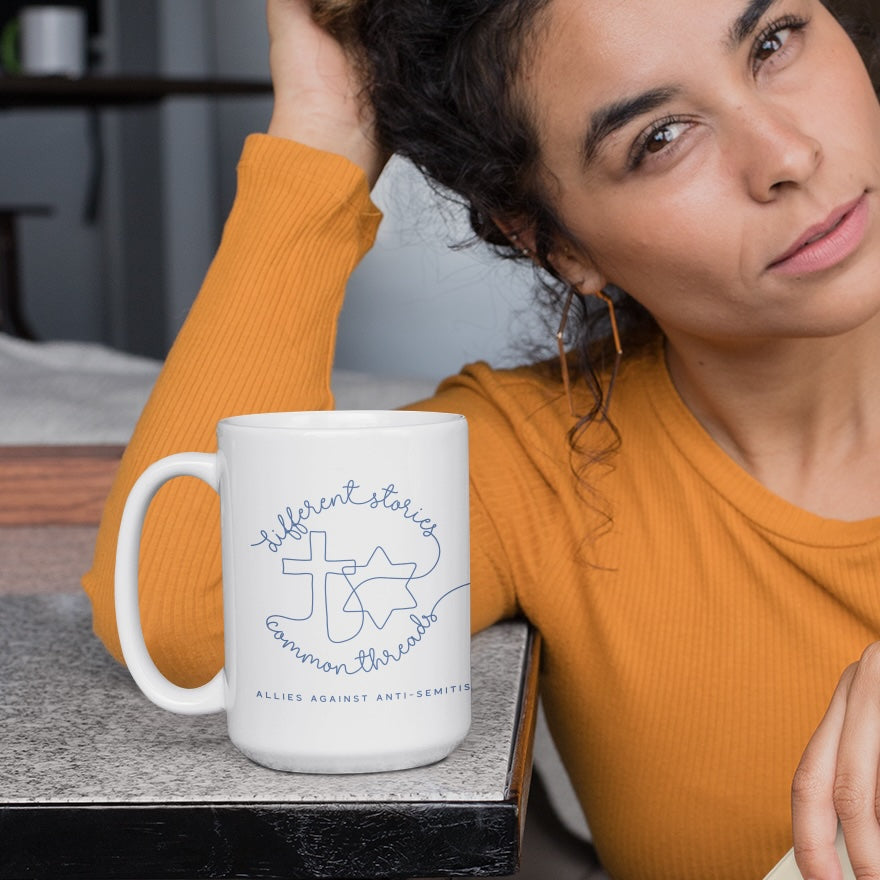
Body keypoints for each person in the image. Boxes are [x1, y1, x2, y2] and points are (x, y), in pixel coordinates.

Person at [82, 0, 880, 877]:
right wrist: (325, 128)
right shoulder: (542, 465)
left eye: (774, 42)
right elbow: (189, 624)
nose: (786, 156)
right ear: (553, 241)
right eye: (658, 138)